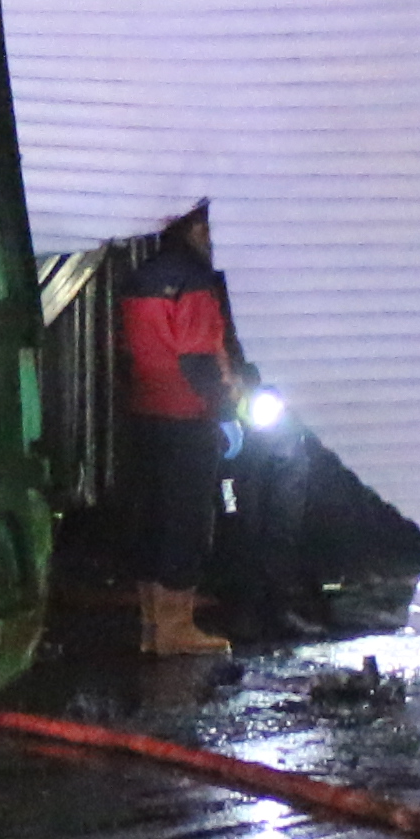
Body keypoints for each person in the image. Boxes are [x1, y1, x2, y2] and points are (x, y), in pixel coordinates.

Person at [112, 207, 245, 660]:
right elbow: (200, 358)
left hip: (145, 414)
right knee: (186, 524)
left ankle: (152, 627)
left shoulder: (140, 277)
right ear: (195, 229)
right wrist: (226, 411)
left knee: (151, 520)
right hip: (189, 417)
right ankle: (177, 628)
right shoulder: (194, 280)